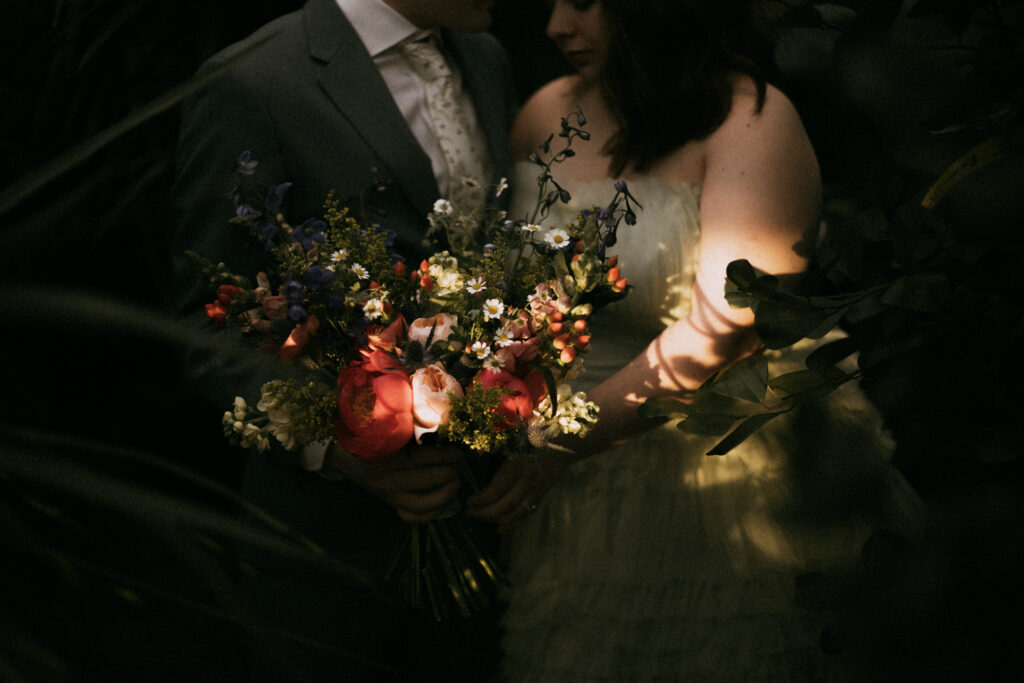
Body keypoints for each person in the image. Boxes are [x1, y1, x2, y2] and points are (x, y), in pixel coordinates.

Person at [466, 0, 921, 679]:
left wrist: (560, 438)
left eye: (585, 3)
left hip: (719, 469)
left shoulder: (750, 123)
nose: (556, 26)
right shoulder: (544, 115)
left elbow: (727, 329)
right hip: (572, 484)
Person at [172, 0, 515, 680]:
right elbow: (206, 331)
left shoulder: (488, 60)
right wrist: (345, 448)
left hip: (480, 526)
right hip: (324, 555)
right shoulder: (254, 80)